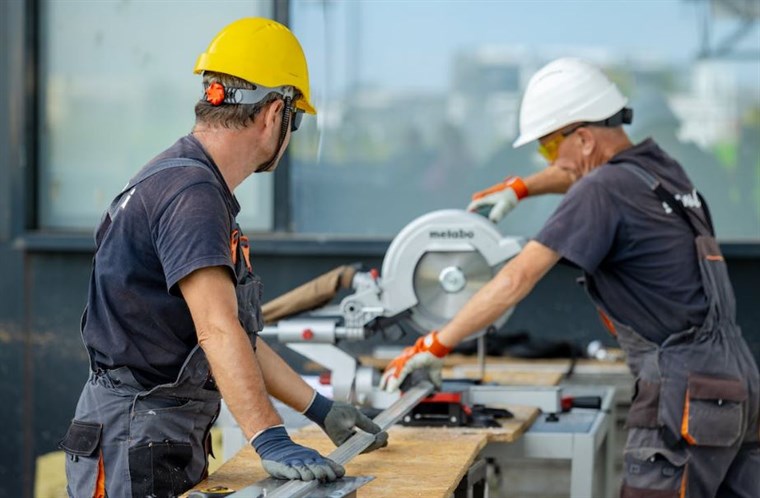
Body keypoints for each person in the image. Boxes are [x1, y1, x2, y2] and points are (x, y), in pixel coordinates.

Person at [381, 57, 759, 497]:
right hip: (737, 386)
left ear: (582, 137)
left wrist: (436, 343)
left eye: (546, 147)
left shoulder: (601, 191)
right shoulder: (660, 171)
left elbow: (515, 280)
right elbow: (579, 173)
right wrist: (521, 188)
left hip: (684, 398)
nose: (548, 159)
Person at [59, 18, 387, 498]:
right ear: (274, 113)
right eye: (295, 121)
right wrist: (270, 438)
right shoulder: (192, 194)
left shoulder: (183, 180)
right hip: (133, 440)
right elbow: (217, 328)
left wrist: (320, 409)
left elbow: (234, 336)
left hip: (152, 432)